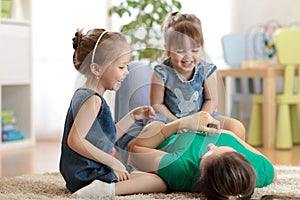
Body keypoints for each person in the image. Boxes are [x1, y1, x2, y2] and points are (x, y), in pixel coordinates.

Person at [59, 28, 167, 198]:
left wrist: (132, 117)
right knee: (158, 182)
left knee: (148, 177)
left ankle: (99, 188)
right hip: (87, 174)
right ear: (97, 69)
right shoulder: (92, 100)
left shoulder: (86, 94)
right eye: (121, 66)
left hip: (83, 172)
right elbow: (75, 140)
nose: (127, 72)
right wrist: (112, 161)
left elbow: (105, 140)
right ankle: (102, 191)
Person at [128, 111, 277, 200]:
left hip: (173, 131)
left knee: (154, 126)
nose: (211, 145)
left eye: (208, 153)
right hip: (205, 121)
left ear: (201, 173)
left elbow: (134, 150)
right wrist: (229, 134)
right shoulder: (260, 171)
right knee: (236, 126)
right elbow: (273, 173)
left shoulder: (179, 167)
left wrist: (181, 123)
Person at [150, 12, 246, 139]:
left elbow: (211, 100)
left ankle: (233, 157)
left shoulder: (206, 70)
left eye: (195, 50)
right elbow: (157, 104)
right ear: (167, 49)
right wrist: (179, 124)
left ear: (202, 46)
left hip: (203, 118)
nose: (188, 56)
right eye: (180, 51)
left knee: (236, 127)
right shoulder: (161, 73)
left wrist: (199, 120)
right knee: (151, 130)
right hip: (171, 121)